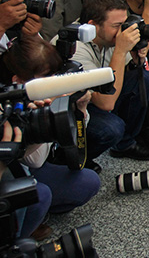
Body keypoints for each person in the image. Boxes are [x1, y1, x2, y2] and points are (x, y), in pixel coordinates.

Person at [0, 35, 100, 240]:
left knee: (89, 182)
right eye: (46, 79)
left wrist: (80, 110)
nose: (53, 83)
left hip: (37, 166)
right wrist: (52, 104)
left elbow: (73, 141)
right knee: (39, 195)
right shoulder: (11, 107)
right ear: (18, 81)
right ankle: (17, 236)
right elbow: (34, 161)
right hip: (16, 170)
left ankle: (37, 214)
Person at [72, 0, 149, 169]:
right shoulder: (75, 48)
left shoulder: (108, 37)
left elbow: (129, 75)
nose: (123, 31)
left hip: (100, 91)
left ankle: (124, 145)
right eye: (117, 26)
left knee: (146, 83)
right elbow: (106, 103)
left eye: (124, 23)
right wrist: (120, 51)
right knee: (111, 128)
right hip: (74, 107)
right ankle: (79, 157)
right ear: (92, 26)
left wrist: (136, 59)